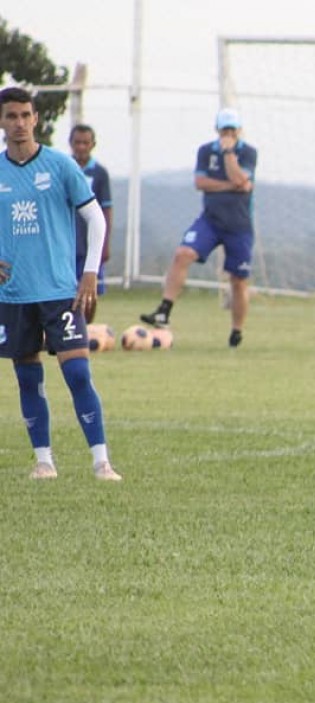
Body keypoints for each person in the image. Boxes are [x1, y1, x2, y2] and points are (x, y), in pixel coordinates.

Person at [0, 87, 121, 481]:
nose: (19, 123)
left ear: (36, 119)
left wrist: (90, 272)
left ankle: (102, 462)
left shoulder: (60, 166)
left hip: (59, 292)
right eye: (11, 116)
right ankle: (44, 462)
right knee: (27, 378)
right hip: (14, 294)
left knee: (78, 374)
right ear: (1, 122)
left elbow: (95, 218)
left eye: (25, 115)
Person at [141, 107, 257, 347]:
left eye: (232, 130)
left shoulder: (248, 152)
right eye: (224, 130)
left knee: (238, 280)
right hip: (210, 220)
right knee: (183, 253)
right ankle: (164, 310)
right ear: (217, 129)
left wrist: (229, 154)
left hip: (239, 225)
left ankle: (236, 332)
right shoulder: (205, 151)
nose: (228, 134)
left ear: (239, 130)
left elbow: (240, 178)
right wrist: (232, 186)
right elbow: (201, 182)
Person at [68, 124, 112, 324]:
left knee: (90, 289)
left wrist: (105, 243)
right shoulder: (65, 168)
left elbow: (106, 209)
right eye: (77, 142)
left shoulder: (99, 173)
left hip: (90, 241)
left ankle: (87, 327)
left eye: (85, 143)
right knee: (68, 289)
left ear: (93, 144)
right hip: (69, 240)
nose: (81, 147)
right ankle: (70, 326)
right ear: (71, 144)